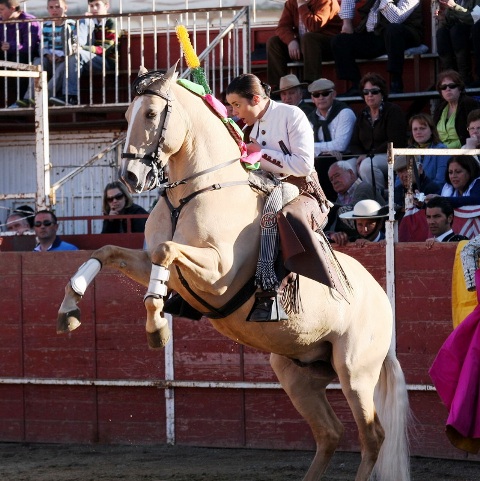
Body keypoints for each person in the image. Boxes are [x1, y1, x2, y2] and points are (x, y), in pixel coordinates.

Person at [226, 73, 347, 321]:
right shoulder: (249, 126)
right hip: (267, 184)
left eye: (237, 105)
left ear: (256, 99)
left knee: (277, 214)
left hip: (301, 187)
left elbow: (303, 166)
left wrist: (261, 154)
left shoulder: (292, 115)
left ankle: (271, 290)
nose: (235, 112)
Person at [331, 0, 423, 95]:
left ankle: (396, 81)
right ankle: (356, 85)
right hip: (377, 35)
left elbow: (396, 19)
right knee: (339, 41)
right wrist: (347, 23)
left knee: (393, 30)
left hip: (404, 35)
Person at [11, 0, 78, 108]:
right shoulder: (46, 25)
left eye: (57, 7)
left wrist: (61, 56)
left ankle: (44, 95)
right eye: (51, 7)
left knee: (64, 67)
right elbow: (42, 45)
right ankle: (28, 98)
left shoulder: (72, 24)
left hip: (64, 59)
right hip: (50, 58)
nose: (54, 10)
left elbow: (74, 45)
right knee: (38, 62)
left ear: (65, 8)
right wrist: (48, 55)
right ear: (47, 9)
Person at [50, 0, 117, 106]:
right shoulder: (92, 21)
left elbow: (104, 49)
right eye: (91, 6)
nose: (94, 9)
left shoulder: (111, 22)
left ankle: (71, 97)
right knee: (69, 59)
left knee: (76, 54)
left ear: (106, 6)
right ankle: (45, 94)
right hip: (88, 57)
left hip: (106, 61)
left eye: (97, 5)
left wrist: (81, 48)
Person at [348, 72, 407, 191]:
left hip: (391, 155)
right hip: (367, 157)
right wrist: (361, 155)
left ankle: (379, 199)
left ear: (382, 93)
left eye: (374, 91)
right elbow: (354, 142)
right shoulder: (363, 114)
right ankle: (348, 203)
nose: (370, 95)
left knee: (366, 166)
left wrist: (369, 155)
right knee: (342, 167)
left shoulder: (393, 111)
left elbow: (395, 141)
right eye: (366, 92)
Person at [266, 0, 342, 90]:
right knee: (274, 42)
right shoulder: (291, 3)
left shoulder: (326, 1)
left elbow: (314, 26)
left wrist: (302, 6)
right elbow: (282, 27)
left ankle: (311, 84)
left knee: (309, 37)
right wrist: (291, 41)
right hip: (304, 46)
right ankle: (278, 87)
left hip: (328, 46)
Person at [306, 77, 356, 201]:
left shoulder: (344, 112)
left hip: (347, 156)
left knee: (323, 163)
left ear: (333, 94)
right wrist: (323, 150)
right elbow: (305, 145)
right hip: (322, 158)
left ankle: (330, 203)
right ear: (312, 98)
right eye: (317, 95)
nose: (321, 97)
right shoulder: (310, 118)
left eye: (325, 94)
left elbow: (340, 145)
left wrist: (315, 147)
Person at [325, 161, 385, 242]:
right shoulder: (340, 197)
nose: (334, 181)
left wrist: (332, 206)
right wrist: (332, 235)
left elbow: (357, 225)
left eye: (337, 176)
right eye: (331, 179)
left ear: (351, 173)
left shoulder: (364, 188)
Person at [0, 0, 40, 99]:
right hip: (6, 54)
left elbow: (29, 47)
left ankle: (21, 100)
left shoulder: (29, 21)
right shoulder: (1, 21)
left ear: (12, 8)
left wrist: (11, 46)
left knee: (19, 59)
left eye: (1, 9)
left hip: (26, 56)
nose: (0, 12)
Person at [435, 0, 480, 85]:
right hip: (458, 35)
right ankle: (449, 80)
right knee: (441, 34)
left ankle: (465, 79)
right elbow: (451, 20)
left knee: (457, 32)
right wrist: (444, 17)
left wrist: (454, 6)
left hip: (473, 36)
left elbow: (474, 17)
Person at [433, 70, 480, 148]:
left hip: (463, 151)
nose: (447, 89)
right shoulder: (440, 108)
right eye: (443, 87)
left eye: (452, 86)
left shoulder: (468, 103)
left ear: (460, 88)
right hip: (441, 151)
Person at [407, 113, 450, 191]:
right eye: (415, 129)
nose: (418, 132)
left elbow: (440, 183)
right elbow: (399, 182)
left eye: (422, 128)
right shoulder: (408, 151)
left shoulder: (441, 150)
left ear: (431, 131)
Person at [393, 155, 441, 219]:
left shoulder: (432, 188)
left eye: (408, 169)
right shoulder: (398, 191)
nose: (404, 175)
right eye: (400, 171)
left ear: (420, 169)